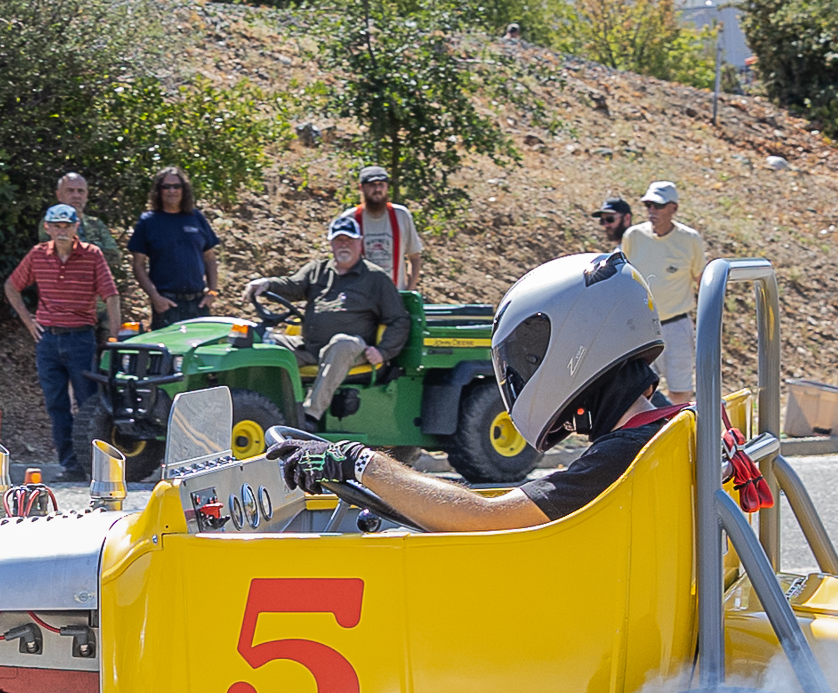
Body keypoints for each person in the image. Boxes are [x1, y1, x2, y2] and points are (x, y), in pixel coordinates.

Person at [277, 250, 680, 531]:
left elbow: (486, 519)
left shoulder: (631, 453)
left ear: (578, 342)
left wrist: (358, 462)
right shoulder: (671, 429)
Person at [245, 219, 413, 422]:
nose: (344, 244)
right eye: (339, 240)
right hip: (311, 348)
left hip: (353, 351)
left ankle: (309, 416)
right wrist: (267, 283)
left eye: (349, 240)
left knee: (341, 343)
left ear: (360, 243)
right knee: (263, 341)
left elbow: (399, 320)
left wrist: (384, 351)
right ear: (331, 244)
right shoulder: (318, 270)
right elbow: (293, 285)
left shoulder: (375, 278)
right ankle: (261, 409)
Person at [6, 203, 122, 481]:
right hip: (47, 338)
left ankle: (96, 466)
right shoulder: (38, 255)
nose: (61, 231)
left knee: (88, 404)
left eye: (67, 226)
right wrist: (28, 321)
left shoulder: (92, 255)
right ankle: (71, 465)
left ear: (76, 227)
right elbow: (12, 285)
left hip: (80, 337)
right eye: (56, 226)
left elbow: (111, 295)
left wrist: (114, 337)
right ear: (47, 228)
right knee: (56, 404)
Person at [622, 179, 707, 403]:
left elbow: (702, 280)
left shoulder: (689, 240)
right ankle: (647, 434)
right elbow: (623, 278)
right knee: (640, 390)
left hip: (676, 324)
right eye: (648, 205)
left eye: (658, 206)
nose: (652, 211)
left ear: (674, 208)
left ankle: (677, 432)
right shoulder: (633, 236)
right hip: (640, 326)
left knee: (680, 388)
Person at [124, 165, 220, 327]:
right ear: (158, 191)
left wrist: (212, 292)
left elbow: (210, 259)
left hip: (199, 303)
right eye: (166, 187)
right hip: (167, 303)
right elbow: (138, 265)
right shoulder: (149, 221)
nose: (172, 191)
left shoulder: (196, 217)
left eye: (177, 186)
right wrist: (155, 297)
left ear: (184, 190)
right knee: (168, 352)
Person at [337, 166, 425, 291]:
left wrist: (409, 291)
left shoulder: (401, 215)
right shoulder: (350, 219)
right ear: (361, 188)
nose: (377, 189)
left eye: (381, 184)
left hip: (395, 295)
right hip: (360, 298)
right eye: (372, 185)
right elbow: (341, 261)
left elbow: (415, 257)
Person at [54, 171, 129, 291]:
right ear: (59, 195)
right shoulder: (51, 225)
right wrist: (95, 255)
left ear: (86, 195)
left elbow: (114, 256)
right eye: (70, 191)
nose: (76, 195)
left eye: (80, 191)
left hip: (98, 302)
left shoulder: (96, 224)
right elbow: (59, 258)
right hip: (66, 299)